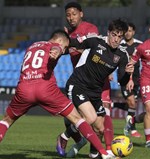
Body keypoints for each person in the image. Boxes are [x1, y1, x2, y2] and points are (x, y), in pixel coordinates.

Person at [0, 30, 115, 159]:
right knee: (78, 119)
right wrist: (57, 51)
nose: (64, 48)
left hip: (24, 89)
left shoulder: (32, 46)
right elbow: (56, 48)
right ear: (60, 41)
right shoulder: (55, 46)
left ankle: (79, 143)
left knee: (6, 121)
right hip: (45, 89)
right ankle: (104, 154)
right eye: (65, 46)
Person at [57, 18, 134, 158]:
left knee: (100, 128)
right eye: (114, 35)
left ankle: (93, 155)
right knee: (91, 118)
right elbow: (75, 44)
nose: (116, 39)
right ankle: (64, 136)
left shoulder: (122, 55)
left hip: (95, 91)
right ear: (108, 32)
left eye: (120, 36)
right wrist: (64, 40)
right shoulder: (96, 41)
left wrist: (128, 75)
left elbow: (122, 81)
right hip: (78, 84)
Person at [56, 2, 115, 158]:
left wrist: (72, 45)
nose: (71, 17)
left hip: (99, 80)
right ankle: (80, 141)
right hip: (81, 80)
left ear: (81, 14)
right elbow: (64, 51)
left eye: (74, 14)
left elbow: (93, 48)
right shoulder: (67, 34)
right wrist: (65, 43)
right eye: (68, 15)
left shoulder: (90, 29)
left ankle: (99, 151)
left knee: (100, 120)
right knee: (70, 119)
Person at [127, 18, 150, 148]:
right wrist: (130, 79)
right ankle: (149, 142)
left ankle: (133, 121)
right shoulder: (142, 47)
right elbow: (131, 63)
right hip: (148, 81)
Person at [120, 22, 142, 138]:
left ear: (133, 32)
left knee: (132, 104)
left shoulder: (140, 45)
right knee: (132, 102)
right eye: (126, 31)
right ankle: (131, 129)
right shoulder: (119, 45)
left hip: (137, 79)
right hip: (124, 79)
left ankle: (114, 104)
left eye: (130, 31)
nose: (128, 33)